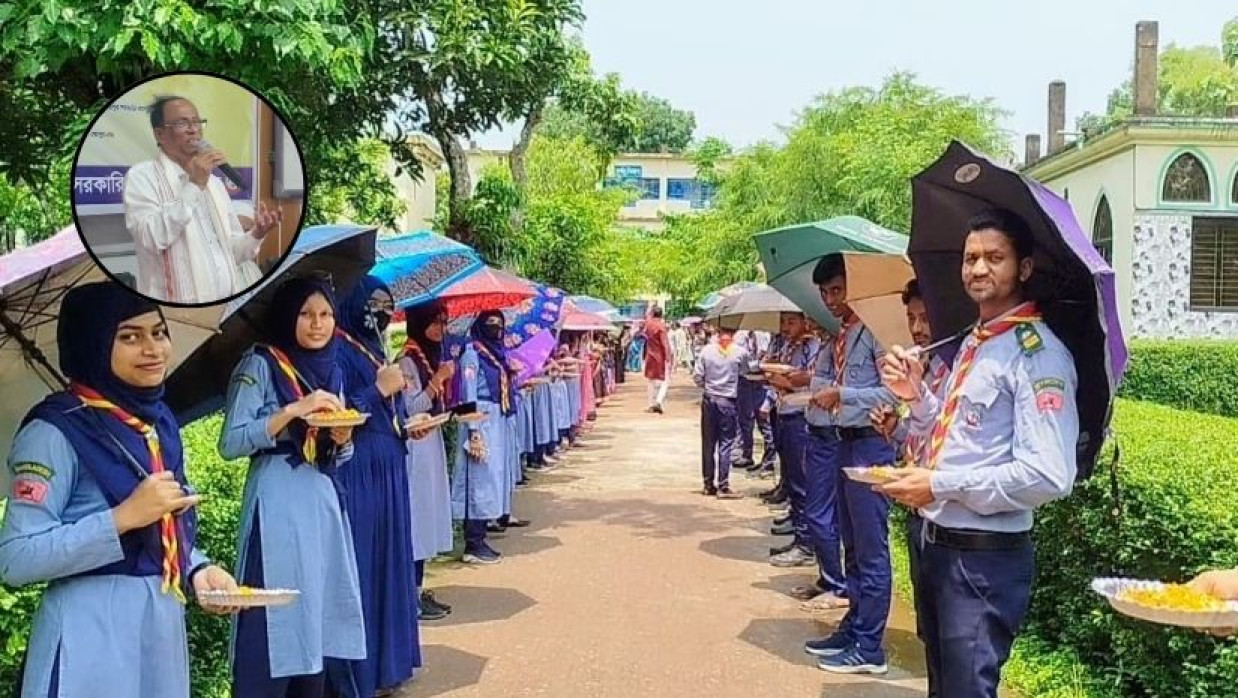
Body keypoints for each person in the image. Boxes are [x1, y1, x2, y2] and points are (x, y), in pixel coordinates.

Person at [0, 282, 238, 698]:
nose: (154, 349)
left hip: (160, 624)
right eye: (129, 336)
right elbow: (15, 559)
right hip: (89, 634)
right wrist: (122, 517)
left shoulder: (156, 422)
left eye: (158, 332)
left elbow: (162, 525)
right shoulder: (54, 430)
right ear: (92, 342)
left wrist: (197, 567)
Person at [878, 209, 1079, 698]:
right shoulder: (976, 342)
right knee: (944, 687)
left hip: (982, 560)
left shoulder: (1036, 353)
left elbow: (1049, 475)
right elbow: (956, 440)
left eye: (995, 257)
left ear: (1024, 269)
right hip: (938, 546)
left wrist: (938, 485)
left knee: (968, 689)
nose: (978, 269)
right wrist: (915, 397)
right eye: (971, 258)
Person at [218, 277, 366, 697]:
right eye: (305, 314)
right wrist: (293, 410)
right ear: (288, 315)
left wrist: (342, 439)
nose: (317, 325)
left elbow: (338, 457)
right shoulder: (261, 364)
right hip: (277, 501)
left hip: (320, 503)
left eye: (325, 315)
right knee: (275, 610)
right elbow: (231, 442)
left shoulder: (333, 367)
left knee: (317, 613)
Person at [801, 253, 897, 675]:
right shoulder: (842, 335)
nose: (830, 299)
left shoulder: (876, 333)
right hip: (844, 443)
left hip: (871, 446)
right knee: (853, 548)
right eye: (824, 293)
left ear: (854, 288)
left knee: (872, 551)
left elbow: (894, 396)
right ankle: (854, 626)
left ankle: (870, 646)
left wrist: (844, 396)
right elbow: (832, 383)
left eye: (837, 290)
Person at [334, 276, 420, 697]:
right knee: (365, 563)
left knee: (391, 562)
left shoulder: (376, 348)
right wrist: (375, 390)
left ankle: (391, 665)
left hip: (390, 464)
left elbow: (390, 404)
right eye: (374, 303)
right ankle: (362, 672)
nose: (382, 311)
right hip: (360, 468)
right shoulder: (336, 350)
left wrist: (409, 422)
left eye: (388, 304)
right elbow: (337, 413)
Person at [869, 278, 951, 688]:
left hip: (949, 517)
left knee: (955, 651)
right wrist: (895, 432)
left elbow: (952, 444)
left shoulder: (956, 372)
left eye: (926, 318)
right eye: (912, 318)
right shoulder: (928, 370)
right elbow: (923, 439)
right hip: (920, 517)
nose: (918, 329)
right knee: (931, 634)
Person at [123, 95, 281, 304]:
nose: (193, 129)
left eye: (197, 121)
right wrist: (194, 185)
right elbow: (151, 238)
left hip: (225, 306)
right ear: (160, 134)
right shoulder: (141, 176)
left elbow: (231, 252)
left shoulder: (214, 183)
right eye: (182, 123)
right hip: (176, 313)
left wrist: (256, 234)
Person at [765, 313, 829, 599]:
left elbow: (810, 380)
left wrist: (786, 378)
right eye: (783, 323)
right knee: (794, 479)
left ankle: (806, 546)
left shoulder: (814, 345)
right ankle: (800, 536)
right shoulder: (792, 345)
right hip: (788, 412)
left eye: (791, 322)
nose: (786, 328)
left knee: (806, 488)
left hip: (803, 418)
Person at [399, 303, 456, 622]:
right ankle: (411, 594)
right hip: (416, 447)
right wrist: (438, 380)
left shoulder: (427, 355)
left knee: (428, 514)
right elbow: (412, 407)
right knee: (417, 518)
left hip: (430, 442)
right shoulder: (408, 360)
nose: (440, 328)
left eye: (444, 322)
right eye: (435, 322)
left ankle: (419, 588)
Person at [453, 311, 517, 564]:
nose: (496, 328)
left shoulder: (496, 354)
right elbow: (468, 391)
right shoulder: (472, 352)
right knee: (477, 478)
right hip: (479, 418)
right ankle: (473, 542)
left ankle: (481, 535)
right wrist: (474, 432)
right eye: (490, 323)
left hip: (495, 417)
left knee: (490, 477)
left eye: (500, 323)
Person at [692, 327, 752, 499]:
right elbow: (745, 372)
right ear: (733, 334)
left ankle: (708, 483)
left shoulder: (706, 351)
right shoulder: (740, 352)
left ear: (718, 333)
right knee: (726, 443)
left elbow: (697, 376)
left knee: (708, 443)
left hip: (710, 399)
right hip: (728, 400)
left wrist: (708, 386)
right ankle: (723, 485)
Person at [643, 307, 673, 414]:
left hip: (650, 355)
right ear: (661, 315)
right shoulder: (661, 326)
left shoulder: (648, 325)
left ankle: (651, 404)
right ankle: (658, 402)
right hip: (660, 356)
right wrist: (668, 356)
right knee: (666, 380)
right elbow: (664, 343)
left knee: (650, 380)